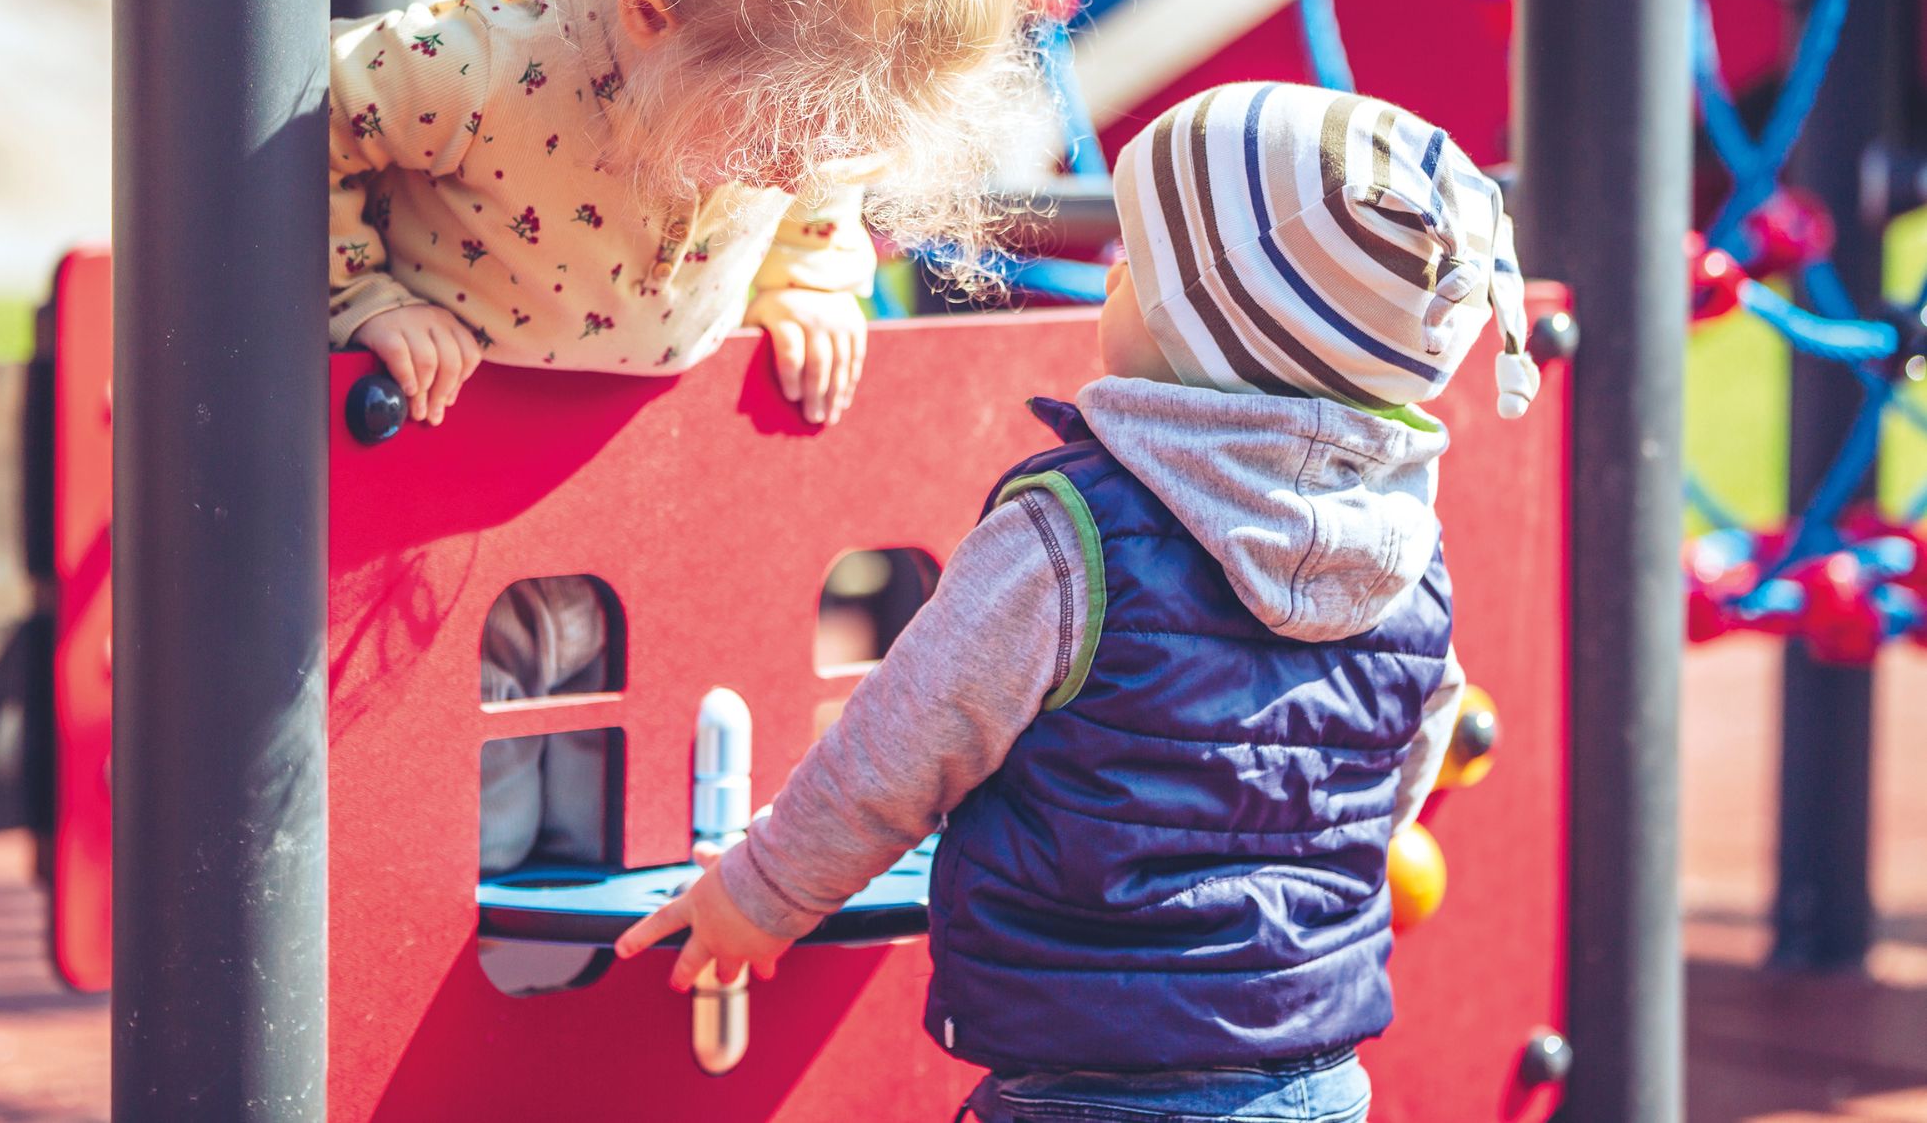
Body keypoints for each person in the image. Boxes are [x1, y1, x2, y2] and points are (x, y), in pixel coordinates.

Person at [615, 82, 1542, 1123]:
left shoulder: (1077, 533)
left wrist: (761, 896)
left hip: (1092, 1079)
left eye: (1138, 262)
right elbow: (1394, 776)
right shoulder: (1405, 558)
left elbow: (904, 738)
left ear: (1205, 328)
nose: (1109, 271)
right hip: (1314, 1073)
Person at [325, 0, 1053, 877]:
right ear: (651, 24)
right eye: (783, 134)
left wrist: (808, 277)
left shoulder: (796, 115)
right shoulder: (483, 69)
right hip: (447, 497)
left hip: (643, 499)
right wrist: (360, 300)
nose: (800, 167)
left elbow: (830, 181)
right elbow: (294, 130)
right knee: (487, 839)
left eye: (837, 143)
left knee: (635, 819)